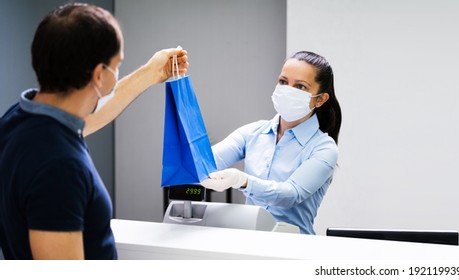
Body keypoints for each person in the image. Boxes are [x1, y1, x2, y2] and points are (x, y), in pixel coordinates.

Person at [0, 3, 189, 259]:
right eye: (117, 64)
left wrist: (150, 73)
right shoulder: (59, 167)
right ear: (99, 74)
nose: (117, 71)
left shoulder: (19, 121)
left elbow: (89, 118)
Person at [201, 51, 341, 235]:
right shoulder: (252, 133)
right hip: (249, 242)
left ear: (320, 99)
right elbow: (205, 160)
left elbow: (290, 195)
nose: (288, 90)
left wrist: (242, 181)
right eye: (283, 82)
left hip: (294, 249)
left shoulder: (324, 148)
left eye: (300, 86)